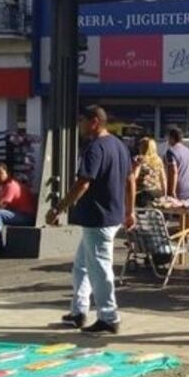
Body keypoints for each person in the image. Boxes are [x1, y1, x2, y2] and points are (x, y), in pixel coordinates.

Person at [46, 105, 135, 334]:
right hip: (111, 215)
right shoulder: (119, 145)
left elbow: (83, 183)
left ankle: (108, 316)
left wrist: (58, 208)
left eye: (82, 120)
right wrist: (130, 211)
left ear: (94, 121)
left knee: (99, 268)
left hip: (98, 217)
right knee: (82, 266)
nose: (80, 125)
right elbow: (130, 180)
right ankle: (78, 311)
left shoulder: (94, 148)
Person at [0, 162, 36, 254]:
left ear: (7, 173)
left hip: (26, 216)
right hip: (17, 212)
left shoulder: (10, 185)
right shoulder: (2, 186)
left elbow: (0, 206)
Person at [132, 137, 167, 208]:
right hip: (156, 192)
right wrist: (164, 194)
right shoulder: (158, 160)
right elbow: (163, 179)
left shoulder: (140, 159)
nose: (138, 147)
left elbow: (134, 177)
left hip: (142, 192)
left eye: (140, 145)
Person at [164, 127, 189, 200]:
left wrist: (172, 191)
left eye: (168, 137)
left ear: (172, 137)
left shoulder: (171, 152)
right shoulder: (187, 151)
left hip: (178, 188)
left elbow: (173, 172)